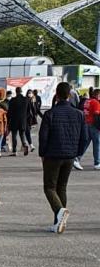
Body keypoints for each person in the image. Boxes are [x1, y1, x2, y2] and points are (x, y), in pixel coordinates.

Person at [38, 81, 89, 233]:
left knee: (49, 187)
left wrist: (42, 154)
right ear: (70, 95)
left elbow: (43, 137)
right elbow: (85, 137)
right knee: (62, 187)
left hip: (53, 155)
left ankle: (60, 211)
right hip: (70, 156)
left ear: (56, 94)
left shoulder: (50, 114)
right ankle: (59, 222)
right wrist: (77, 153)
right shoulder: (79, 114)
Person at [80, 87, 100, 169]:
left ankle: (77, 158)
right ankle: (97, 163)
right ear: (97, 95)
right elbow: (96, 116)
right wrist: (98, 127)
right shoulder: (96, 103)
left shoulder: (87, 101)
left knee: (86, 142)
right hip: (93, 125)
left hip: (86, 123)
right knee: (97, 143)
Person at [7, 87, 30, 156]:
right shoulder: (26, 100)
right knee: (22, 135)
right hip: (23, 120)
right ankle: (25, 145)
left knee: (14, 135)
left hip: (14, 120)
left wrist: (8, 120)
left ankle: (14, 151)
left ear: (16, 92)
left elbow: (9, 112)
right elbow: (29, 111)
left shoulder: (12, 100)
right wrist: (25, 118)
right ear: (21, 91)